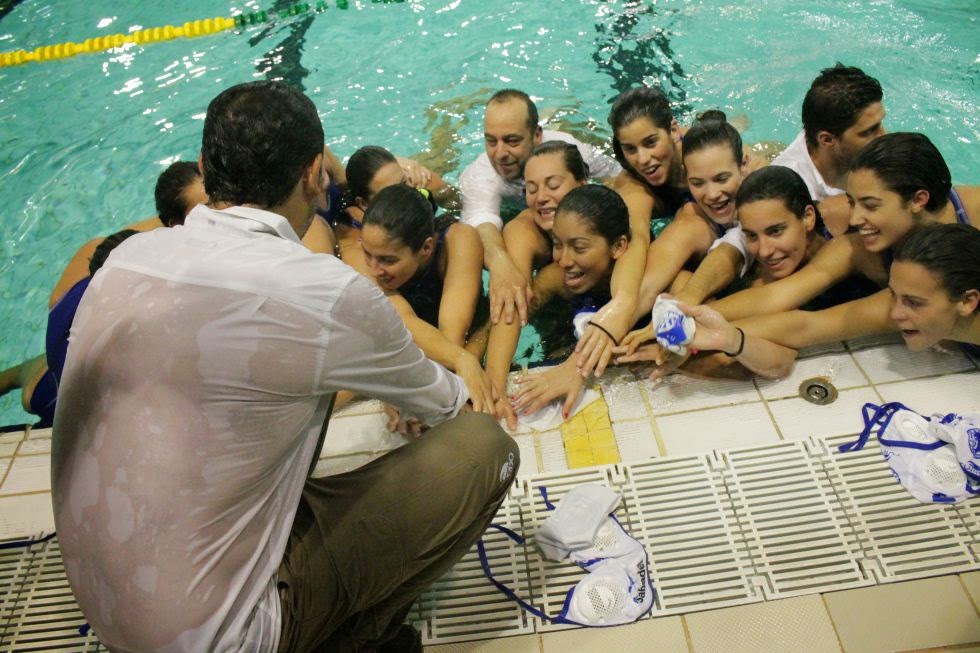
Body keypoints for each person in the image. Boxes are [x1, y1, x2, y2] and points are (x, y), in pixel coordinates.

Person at [51, 81, 518, 653]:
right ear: (313, 174)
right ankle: (349, 639)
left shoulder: (125, 259)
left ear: (205, 166)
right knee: (483, 448)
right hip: (216, 639)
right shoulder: (321, 290)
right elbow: (448, 405)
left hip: (99, 597)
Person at [0, 162, 208, 427]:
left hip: (51, 380)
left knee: (34, 378)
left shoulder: (85, 268)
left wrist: (180, 217)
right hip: (73, 413)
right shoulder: (147, 352)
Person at [708, 132, 978, 322]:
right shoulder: (858, 249)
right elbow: (778, 296)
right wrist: (686, 315)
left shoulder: (973, 211)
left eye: (870, 205)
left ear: (918, 200)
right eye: (853, 202)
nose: (854, 220)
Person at [459, 89, 621, 328]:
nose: (500, 154)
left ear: (536, 136)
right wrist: (501, 261)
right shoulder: (480, 177)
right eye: (491, 141)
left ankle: (560, 112)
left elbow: (617, 179)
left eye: (512, 140)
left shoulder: (571, 149)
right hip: (513, 211)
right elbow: (481, 225)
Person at [486, 184, 630, 426]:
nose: (563, 260)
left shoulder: (647, 283)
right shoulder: (557, 278)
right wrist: (491, 385)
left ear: (618, 247)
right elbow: (513, 311)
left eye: (579, 248)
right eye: (558, 244)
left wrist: (577, 368)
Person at [733, 223, 980, 354]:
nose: (895, 313)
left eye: (914, 302)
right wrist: (700, 331)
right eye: (893, 294)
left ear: (968, 302)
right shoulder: (911, 301)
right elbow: (808, 325)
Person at [359, 184, 495, 408]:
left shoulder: (458, 240)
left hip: (473, 337)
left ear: (426, 248)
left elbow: (453, 335)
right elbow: (404, 321)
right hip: (426, 348)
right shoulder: (364, 253)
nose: (373, 270)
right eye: (367, 254)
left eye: (388, 260)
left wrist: (414, 392)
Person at [630, 112, 751, 319]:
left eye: (722, 179)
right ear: (687, 177)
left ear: (744, 166)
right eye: (697, 183)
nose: (712, 194)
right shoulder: (690, 220)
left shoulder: (769, 193)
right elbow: (645, 286)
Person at [772, 63, 886, 235]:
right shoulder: (792, 191)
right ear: (827, 139)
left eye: (879, 124)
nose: (883, 136)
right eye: (868, 132)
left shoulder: (850, 144)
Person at [334, 145, 457, 269]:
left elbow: (461, 203)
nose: (405, 194)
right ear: (364, 204)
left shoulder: (417, 184)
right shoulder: (356, 240)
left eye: (404, 183)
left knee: (442, 152)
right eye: (391, 192)